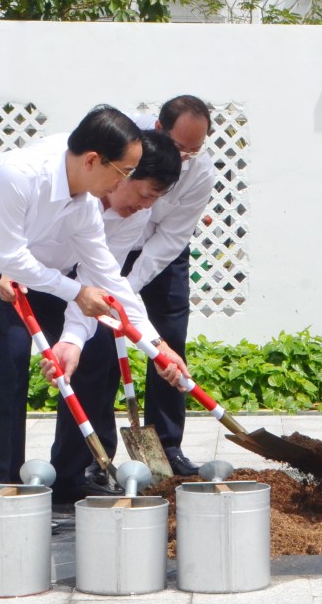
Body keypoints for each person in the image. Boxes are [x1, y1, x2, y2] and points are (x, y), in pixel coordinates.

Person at [0, 105, 185, 550]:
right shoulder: (16, 175)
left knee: (0, 385)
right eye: (123, 173)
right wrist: (76, 293)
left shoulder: (83, 204)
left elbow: (108, 277)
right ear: (93, 160)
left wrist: (156, 346)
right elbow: (14, 259)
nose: (122, 184)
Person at [3, 128, 187, 502]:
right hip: (9, 281)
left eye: (155, 200)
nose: (146, 207)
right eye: (145, 194)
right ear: (124, 173)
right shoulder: (60, 187)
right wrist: (2, 267)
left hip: (68, 284)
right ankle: (4, 482)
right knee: (7, 363)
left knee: (97, 350)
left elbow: (102, 281)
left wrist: (155, 345)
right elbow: (8, 237)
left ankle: (69, 477)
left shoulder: (131, 216)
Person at [46, 96, 217, 497]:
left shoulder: (167, 194)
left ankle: (167, 449)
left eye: (194, 151)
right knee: (96, 353)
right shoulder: (110, 160)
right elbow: (92, 273)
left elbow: (165, 241)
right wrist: (90, 319)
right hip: (73, 261)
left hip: (150, 256)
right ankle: (89, 461)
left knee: (166, 341)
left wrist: (149, 337)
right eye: (180, 147)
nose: (186, 158)